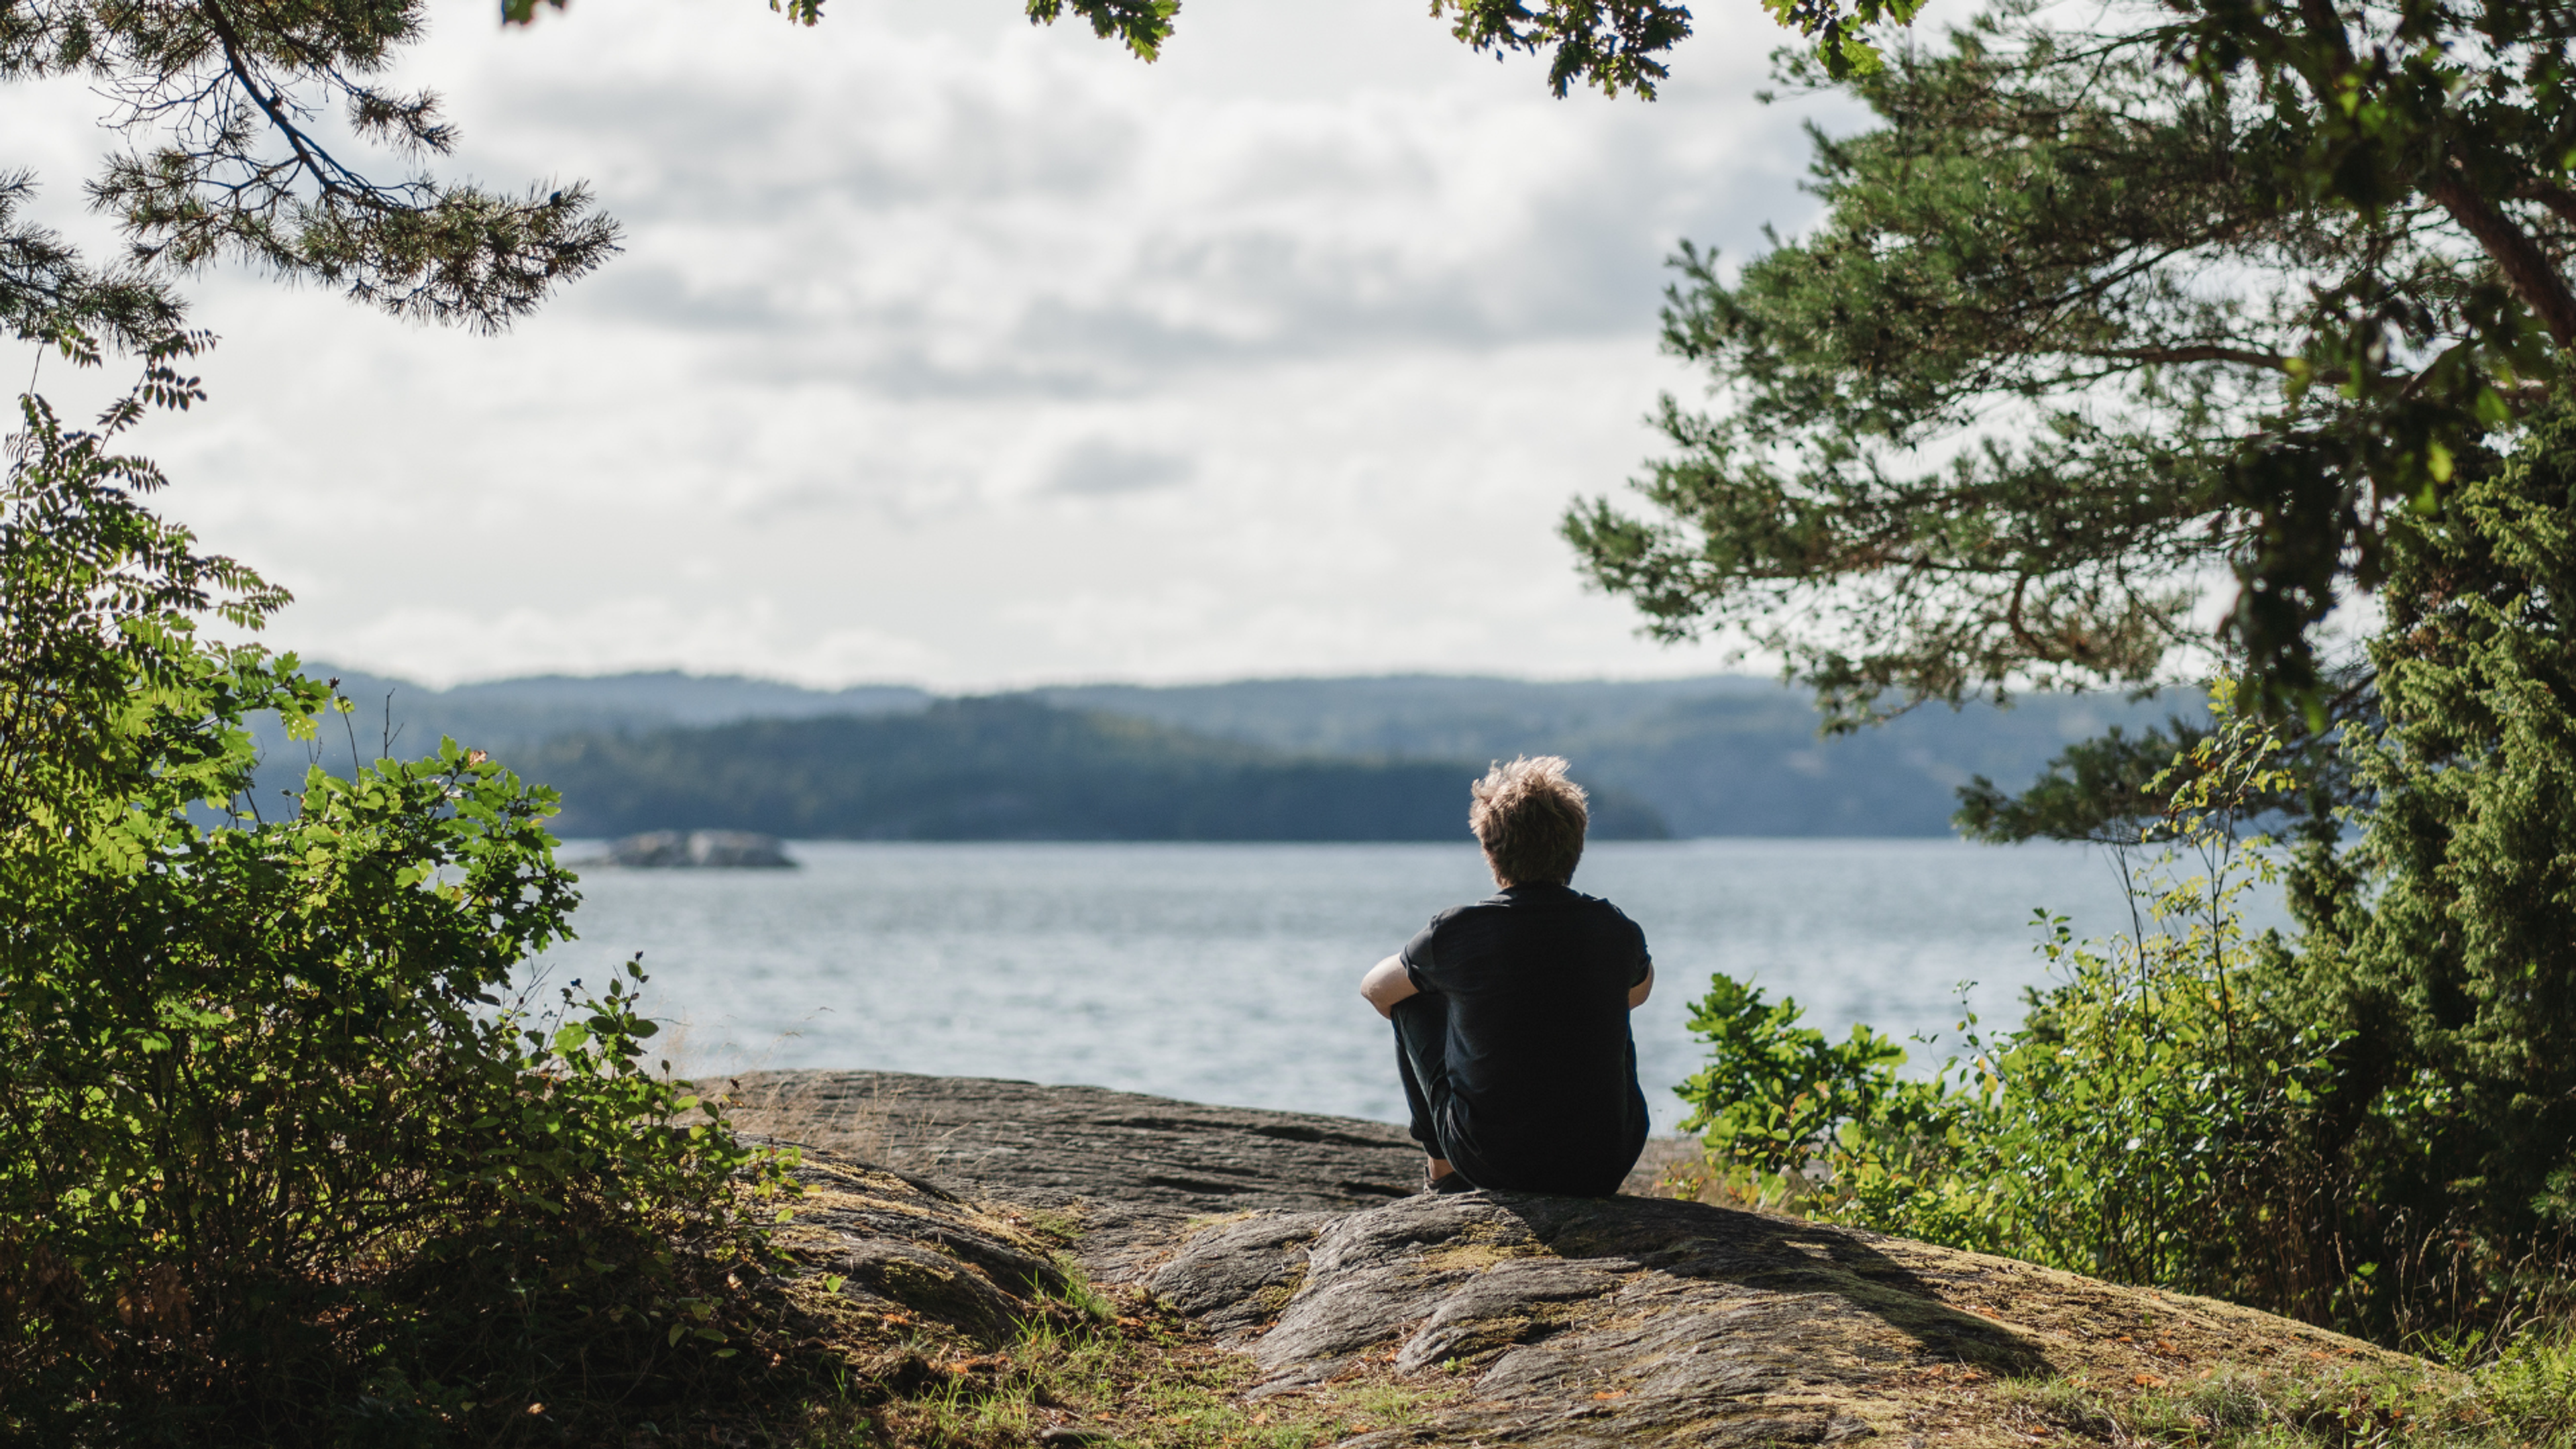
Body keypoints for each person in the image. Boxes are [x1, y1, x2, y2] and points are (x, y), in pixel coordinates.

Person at [1358, 755, 1653, 1196]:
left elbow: (1376, 990)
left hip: (1494, 1163)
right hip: (1606, 1162)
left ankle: (1442, 1175)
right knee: (1606, 1000)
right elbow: (1640, 993)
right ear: (1576, 846)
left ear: (1490, 849)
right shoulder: (1615, 928)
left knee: (1412, 997)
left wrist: (1466, 1002)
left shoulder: (1458, 932)